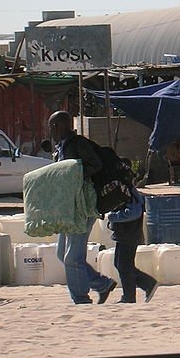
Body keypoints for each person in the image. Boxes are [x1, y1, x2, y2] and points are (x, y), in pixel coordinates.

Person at [49, 110, 117, 305]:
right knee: (62, 253)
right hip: (68, 207)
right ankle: (102, 284)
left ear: (59, 126)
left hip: (83, 206)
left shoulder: (79, 144)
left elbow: (96, 165)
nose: (50, 132)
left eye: (52, 127)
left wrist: (73, 175)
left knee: (73, 256)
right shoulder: (61, 147)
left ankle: (80, 298)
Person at [108, 174, 159, 304]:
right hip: (125, 234)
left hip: (129, 234)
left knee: (124, 265)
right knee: (120, 264)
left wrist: (114, 217)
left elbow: (133, 213)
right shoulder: (127, 191)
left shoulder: (129, 192)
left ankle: (133, 294)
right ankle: (144, 286)